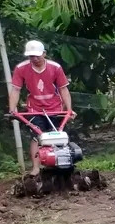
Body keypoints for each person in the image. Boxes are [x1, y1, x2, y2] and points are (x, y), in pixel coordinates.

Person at [8, 40, 75, 177]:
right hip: (35, 108)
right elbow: (15, 90)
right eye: (31, 56)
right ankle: (36, 168)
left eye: (37, 56)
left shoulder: (55, 68)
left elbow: (63, 89)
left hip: (55, 107)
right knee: (36, 137)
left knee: (57, 135)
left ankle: (60, 163)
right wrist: (12, 109)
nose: (35, 59)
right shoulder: (21, 68)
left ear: (44, 53)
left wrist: (69, 109)